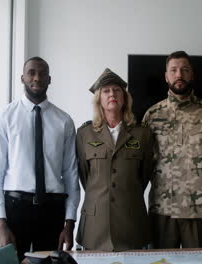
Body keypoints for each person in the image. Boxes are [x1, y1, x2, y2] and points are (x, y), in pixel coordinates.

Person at [0, 56, 80, 261]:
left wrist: (69, 223)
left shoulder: (64, 121)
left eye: (42, 73)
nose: (37, 77)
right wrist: (0, 224)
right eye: (31, 72)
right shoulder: (4, 117)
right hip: (16, 210)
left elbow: (71, 175)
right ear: (22, 78)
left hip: (52, 211)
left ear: (50, 79)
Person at [142, 51, 202, 252]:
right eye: (174, 70)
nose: (179, 74)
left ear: (192, 75)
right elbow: (143, 160)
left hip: (200, 208)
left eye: (185, 70)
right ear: (166, 76)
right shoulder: (152, 115)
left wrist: (201, 181)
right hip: (163, 208)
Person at [75, 68, 154, 251]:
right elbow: (85, 177)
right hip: (95, 225)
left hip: (131, 223)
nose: (112, 94)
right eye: (106, 91)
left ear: (125, 97)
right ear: (99, 99)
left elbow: (144, 176)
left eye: (117, 90)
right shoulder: (84, 134)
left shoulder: (142, 134)